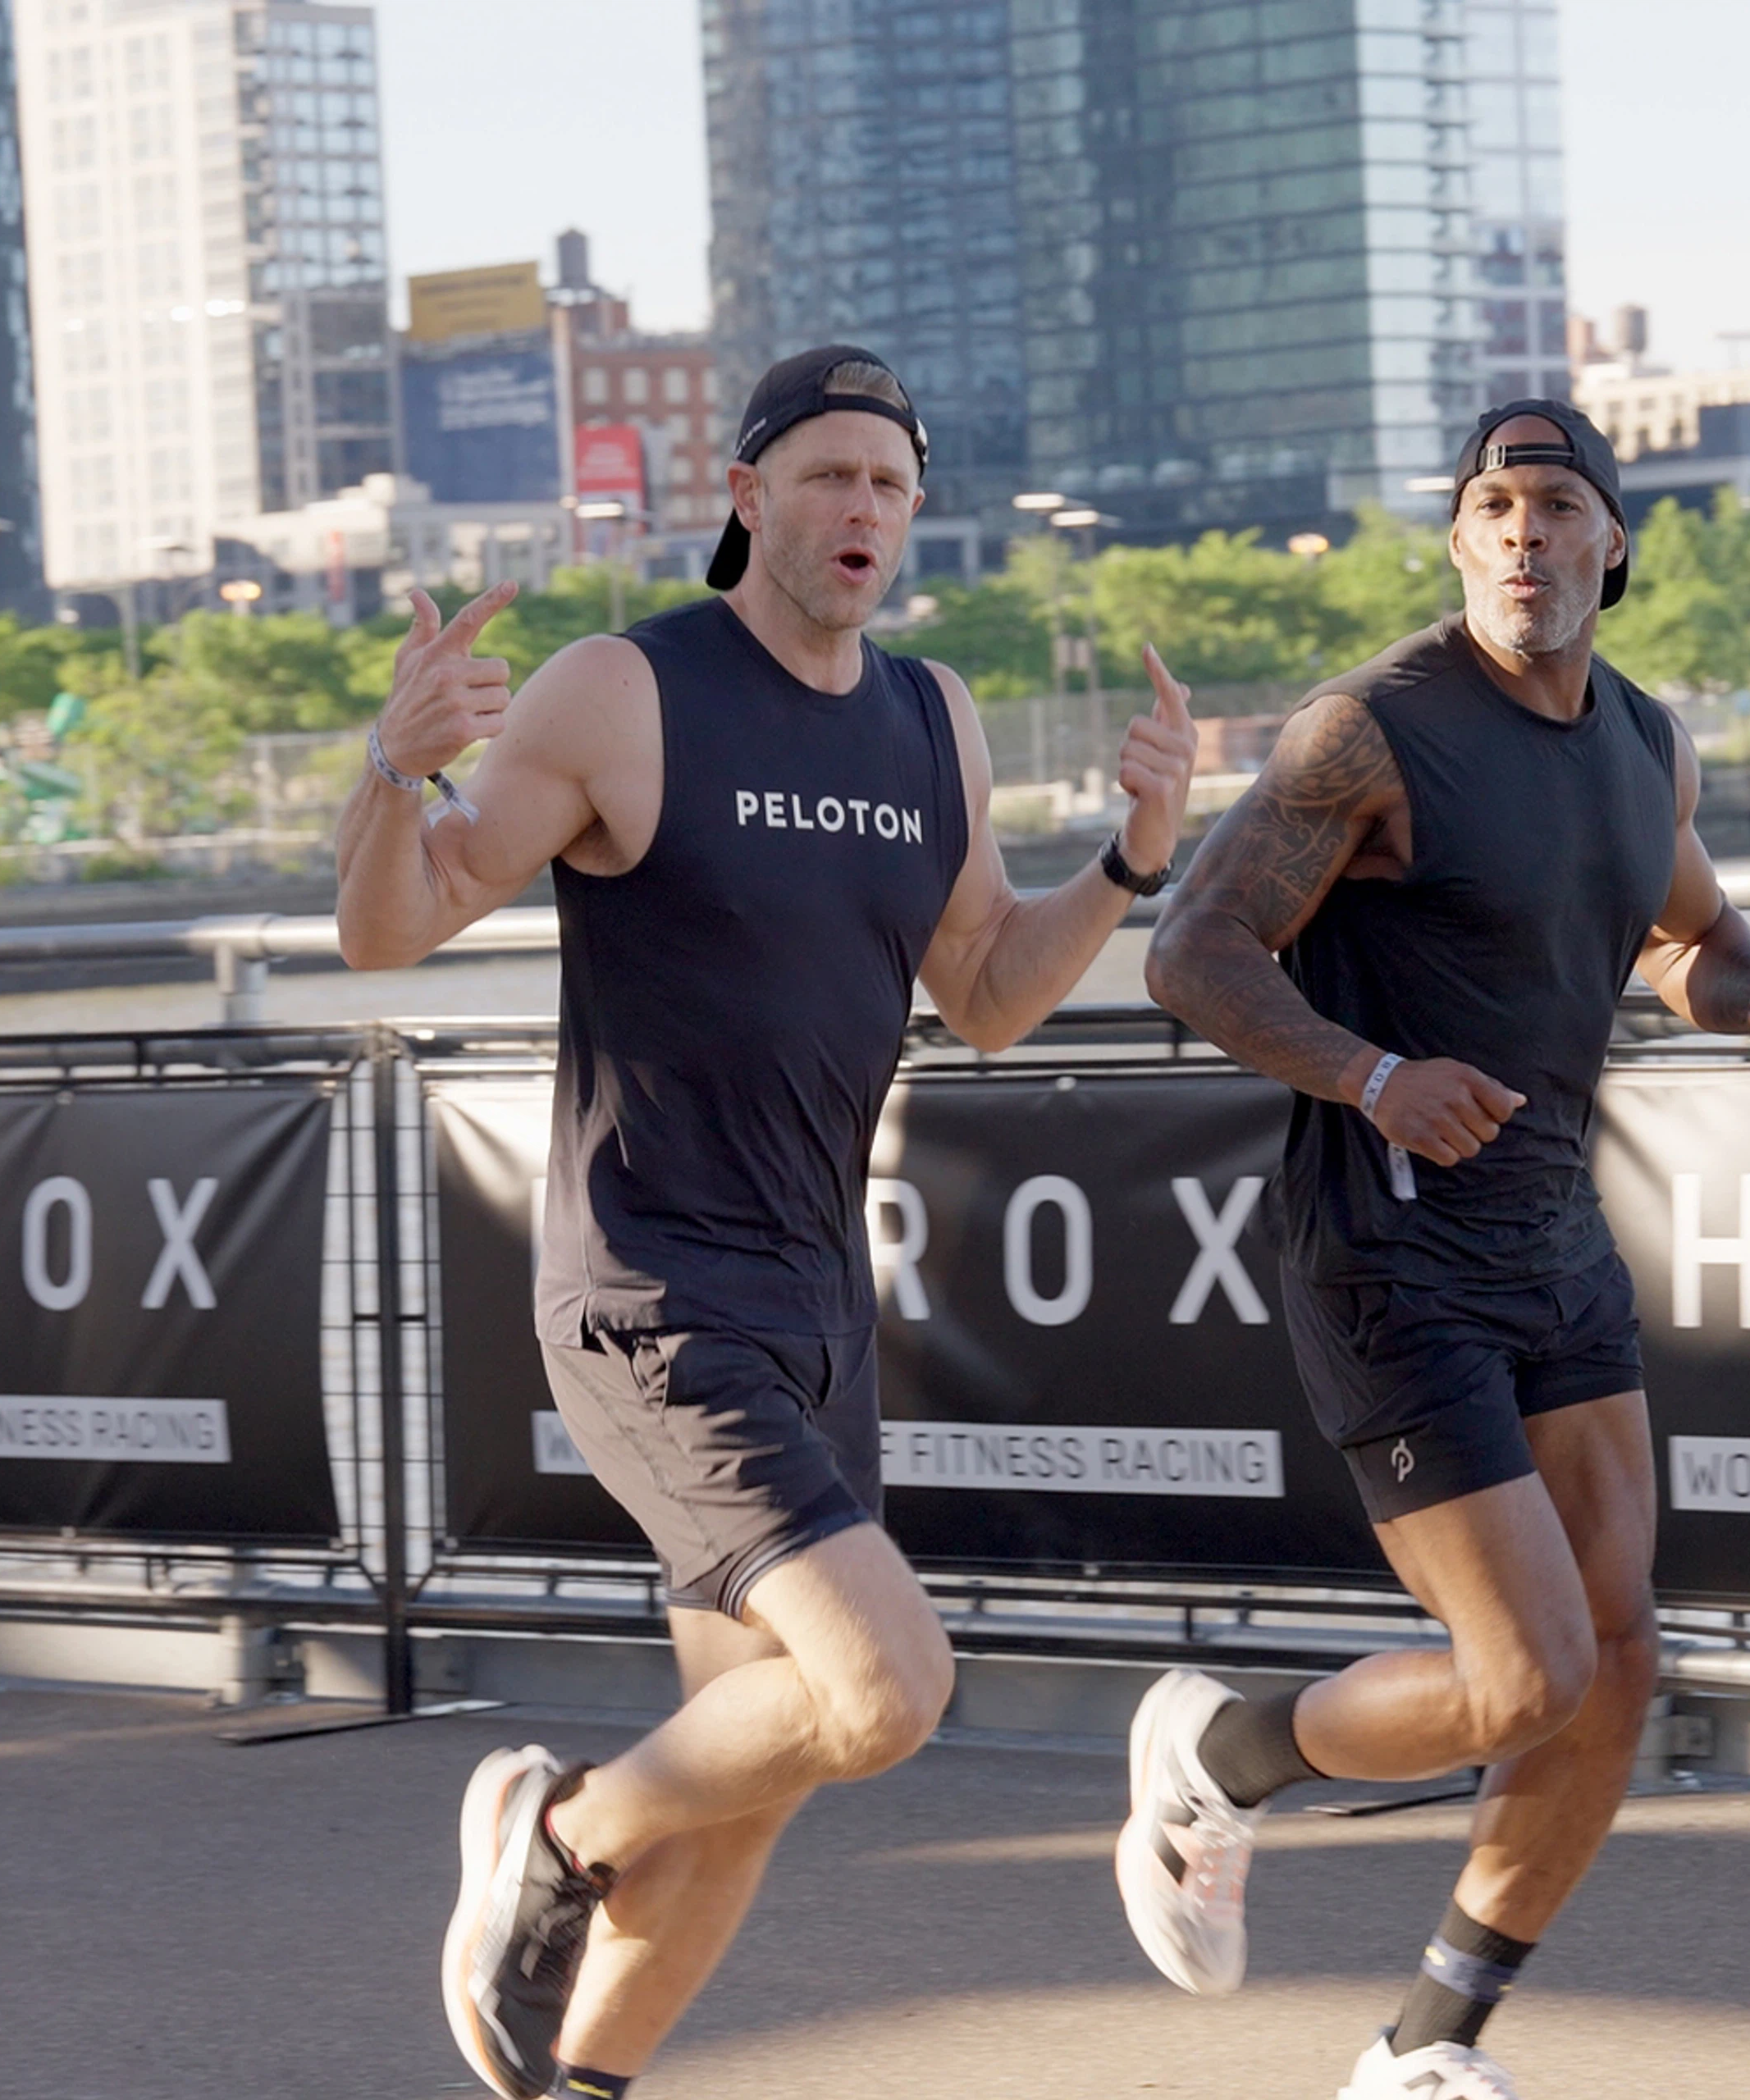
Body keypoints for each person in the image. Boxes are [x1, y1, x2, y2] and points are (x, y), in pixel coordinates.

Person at [336, 344, 1199, 2100]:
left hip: (818, 1312)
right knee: (886, 1686)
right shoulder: (622, 691)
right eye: (825, 476)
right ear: (745, 497)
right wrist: (389, 772)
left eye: (889, 482)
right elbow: (393, 923)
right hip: (656, 1291)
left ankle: (582, 2078)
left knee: (762, 1777)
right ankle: (558, 1828)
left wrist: (1130, 859)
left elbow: (988, 989)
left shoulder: (929, 717)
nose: (861, 508)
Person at [1126, 399, 1750, 2098]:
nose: (1524, 532)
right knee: (1524, 1668)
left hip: (1552, 1236)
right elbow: (1193, 950)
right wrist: (1374, 1075)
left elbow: (1685, 934)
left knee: (1619, 1664)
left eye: (1557, 504)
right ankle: (1222, 1749)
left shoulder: (1644, 743)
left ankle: (1421, 2051)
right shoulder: (1366, 733)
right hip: (1389, 1247)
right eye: (1493, 504)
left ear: (1614, 543)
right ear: (1459, 540)